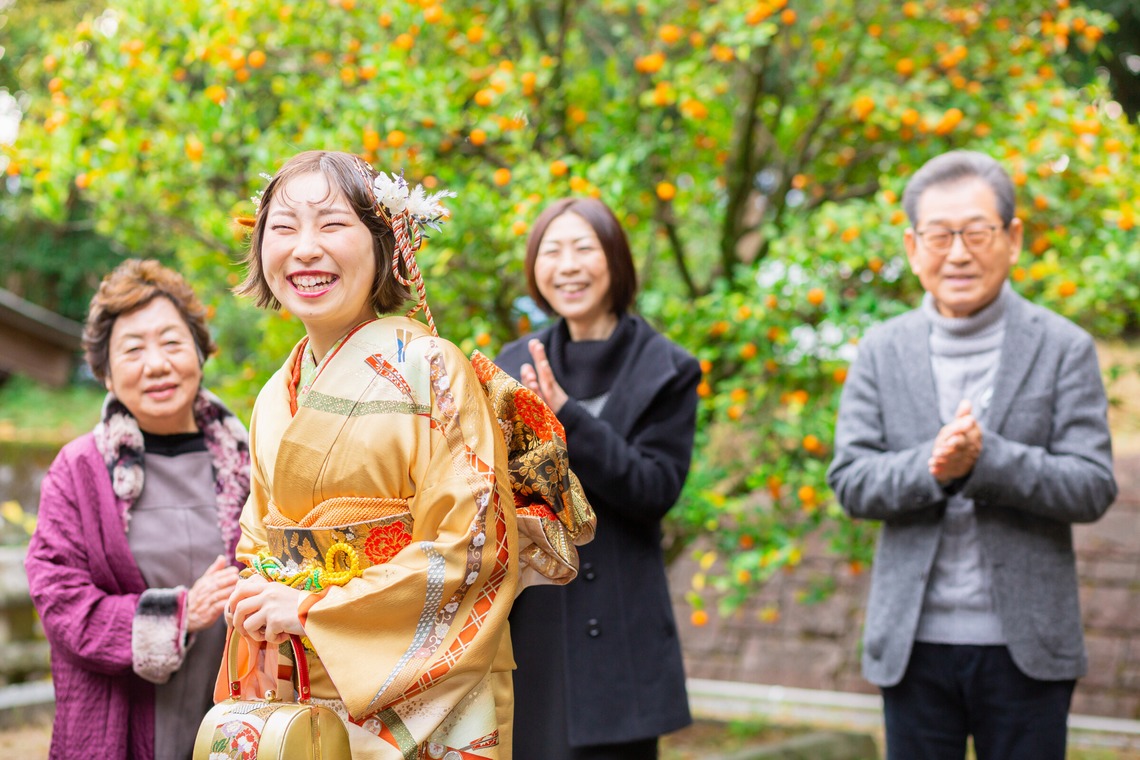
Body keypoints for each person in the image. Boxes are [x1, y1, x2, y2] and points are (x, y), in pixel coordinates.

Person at [224, 150, 518, 760]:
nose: (305, 248)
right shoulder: (273, 396)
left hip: (422, 689)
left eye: (332, 224)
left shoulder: (433, 369)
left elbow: (473, 546)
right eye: (284, 227)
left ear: (385, 243)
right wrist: (257, 592)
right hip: (298, 680)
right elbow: (259, 542)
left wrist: (315, 607)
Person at [827, 150, 1118, 760]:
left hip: (1028, 648)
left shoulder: (1064, 346)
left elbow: (1092, 485)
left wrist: (988, 461)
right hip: (913, 646)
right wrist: (935, 466)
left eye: (976, 232)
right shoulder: (881, 350)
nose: (957, 253)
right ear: (912, 246)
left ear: (1012, 239)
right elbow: (851, 480)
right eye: (939, 234)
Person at [495, 197, 700, 759]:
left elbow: (654, 489)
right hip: (535, 629)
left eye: (584, 248)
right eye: (552, 251)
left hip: (623, 642)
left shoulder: (667, 368)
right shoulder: (511, 366)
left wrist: (568, 418)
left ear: (614, 259)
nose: (568, 265)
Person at [24, 259, 250, 760]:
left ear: (200, 351)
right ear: (105, 372)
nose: (156, 364)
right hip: (120, 726)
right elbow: (61, 600)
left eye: (172, 342)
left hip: (237, 723)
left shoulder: (250, 460)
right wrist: (178, 615)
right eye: (132, 350)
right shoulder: (81, 470)